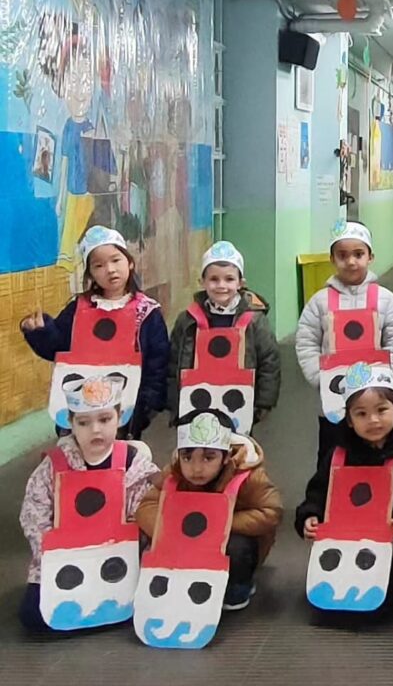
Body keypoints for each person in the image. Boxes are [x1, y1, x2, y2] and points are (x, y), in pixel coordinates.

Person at [18, 375, 160, 631]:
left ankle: (98, 613)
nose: (95, 429)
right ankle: (102, 614)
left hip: (118, 560)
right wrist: (52, 553)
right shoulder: (53, 466)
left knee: (150, 599)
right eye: (84, 422)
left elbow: (145, 511)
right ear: (70, 422)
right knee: (33, 614)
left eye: (104, 419)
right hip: (65, 562)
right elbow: (33, 514)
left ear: (119, 417)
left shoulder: (134, 465)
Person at [296, 363, 393, 614]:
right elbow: (318, 492)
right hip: (345, 538)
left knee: (389, 596)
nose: (373, 420)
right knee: (331, 590)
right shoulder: (337, 457)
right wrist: (309, 516)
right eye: (361, 414)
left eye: (381, 410)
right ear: (349, 421)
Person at [20, 225, 169, 438]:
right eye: (99, 265)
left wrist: (144, 408)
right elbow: (58, 348)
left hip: (125, 416)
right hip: (79, 415)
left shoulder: (147, 313)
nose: (110, 269)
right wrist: (40, 332)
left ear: (130, 262)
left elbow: (157, 364)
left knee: (120, 458)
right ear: (90, 273)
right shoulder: (78, 309)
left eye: (116, 260)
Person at [135, 408, 283, 611]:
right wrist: (170, 529)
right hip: (188, 539)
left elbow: (270, 512)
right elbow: (147, 505)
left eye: (208, 458)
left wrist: (220, 524)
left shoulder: (248, 476)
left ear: (225, 456)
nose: (196, 468)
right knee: (145, 535)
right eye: (187, 458)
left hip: (229, 540)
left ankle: (237, 587)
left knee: (238, 546)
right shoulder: (174, 474)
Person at [295, 220, 393, 467]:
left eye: (358, 254)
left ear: (370, 257)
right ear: (332, 259)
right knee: (332, 454)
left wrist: (385, 373)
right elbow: (306, 340)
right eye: (342, 255)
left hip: (374, 393)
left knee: (375, 450)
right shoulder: (320, 301)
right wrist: (320, 377)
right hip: (333, 395)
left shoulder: (385, 299)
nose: (351, 261)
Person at [167, 240, 281, 429]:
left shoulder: (255, 321)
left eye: (229, 279)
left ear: (241, 283)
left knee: (237, 447)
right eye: (214, 279)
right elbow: (173, 362)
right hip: (194, 407)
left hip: (239, 406)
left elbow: (269, 362)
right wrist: (174, 402)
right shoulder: (188, 320)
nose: (221, 285)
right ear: (202, 282)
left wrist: (263, 403)